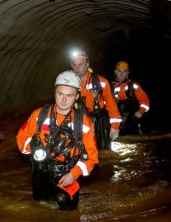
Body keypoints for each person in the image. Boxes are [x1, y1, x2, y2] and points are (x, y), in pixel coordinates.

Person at [17, 71, 99, 210]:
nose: (64, 100)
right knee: (39, 211)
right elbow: (21, 138)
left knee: (68, 220)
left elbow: (91, 158)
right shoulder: (39, 115)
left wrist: (74, 174)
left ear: (77, 97)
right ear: (54, 93)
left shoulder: (84, 123)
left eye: (69, 95)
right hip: (41, 173)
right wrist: (34, 146)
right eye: (60, 94)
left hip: (67, 176)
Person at [70, 50, 122, 150]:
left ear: (87, 64)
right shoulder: (69, 82)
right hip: (79, 119)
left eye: (80, 64)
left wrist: (115, 126)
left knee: (103, 151)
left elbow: (111, 104)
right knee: (81, 152)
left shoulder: (100, 82)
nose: (77, 68)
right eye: (74, 64)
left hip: (100, 121)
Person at [112, 61, 150, 135]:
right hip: (115, 122)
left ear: (127, 72)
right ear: (115, 71)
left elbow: (145, 101)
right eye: (119, 71)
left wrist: (140, 111)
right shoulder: (110, 87)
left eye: (124, 71)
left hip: (132, 121)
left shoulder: (133, 86)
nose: (122, 73)